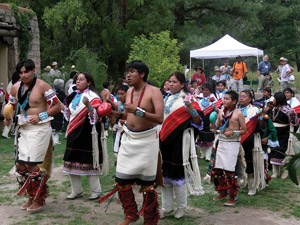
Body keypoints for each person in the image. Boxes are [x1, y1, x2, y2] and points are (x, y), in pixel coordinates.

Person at [99, 60, 164, 225]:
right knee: (121, 179)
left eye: (132, 71)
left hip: (147, 140)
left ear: (142, 74)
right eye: (127, 72)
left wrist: (138, 111)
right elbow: (129, 116)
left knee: (147, 186)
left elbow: (159, 118)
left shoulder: (154, 91)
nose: (128, 75)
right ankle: (131, 214)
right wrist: (116, 114)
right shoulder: (128, 92)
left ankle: (150, 220)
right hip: (129, 138)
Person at [3, 59, 62, 211]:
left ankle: (38, 198)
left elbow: (58, 106)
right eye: (21, 72)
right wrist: (8, 117)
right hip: (24, 128)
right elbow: (11, 106)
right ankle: (31, 197)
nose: (23, 75)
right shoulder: (16, 87)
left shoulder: (43, 86)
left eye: (26, 71)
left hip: (40, 128)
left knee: (31, 164)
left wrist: (41, 116)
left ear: (33, 71)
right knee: (20, 164)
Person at [159, 72, 204, 219]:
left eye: (174, 82)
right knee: (164, 175)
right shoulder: (166, 98)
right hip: (164, 141)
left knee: (177, 174)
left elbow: (199, 121)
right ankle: (167, 207)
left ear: (182, 84)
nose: (171, 84)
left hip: (180, 142)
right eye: (169, 82)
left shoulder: (189, 99)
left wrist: (191, 110)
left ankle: (181, 207)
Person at [63, 72, 106, 200]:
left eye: (81, 80)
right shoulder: (73, 96)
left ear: (88, 82)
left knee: (89, 161)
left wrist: (88, 106)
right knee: (70, 158)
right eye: (76, 79)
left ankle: (96, 190)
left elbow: (97, 117)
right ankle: (76, 190)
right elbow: (69, 114)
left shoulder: (93, 97)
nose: (78, 81)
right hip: (73, 131)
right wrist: (63, 108)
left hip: (87, 133)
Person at [211, 90, 247, 206]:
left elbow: (244, 130)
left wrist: (233, 132)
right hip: (221, 141)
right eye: (224, 98)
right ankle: (223, 191)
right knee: (219, 169)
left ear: (234, 101)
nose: (224, 101)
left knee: (229, 170)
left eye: (227, 99)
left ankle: (233, 195)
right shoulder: (221, 111)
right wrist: (216, 123)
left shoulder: (238, 113)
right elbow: (217, 126)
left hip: (233, 143)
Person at [268, 92, 298, 179]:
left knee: (281, 152)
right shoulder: (273, 109)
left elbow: (295, 123)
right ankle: (275, 172)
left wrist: (292, 134)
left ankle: (286, 170)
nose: (273, 100)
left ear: (278, 100)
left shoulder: (289, 110)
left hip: (284, 134)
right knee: (273, 151)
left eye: (274, 99)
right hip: (274, 133)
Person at [196, 83, 216, 161]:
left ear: (210, 91)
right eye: (204, 90)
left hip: (209, 120)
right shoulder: (198, 98)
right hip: (200, 119)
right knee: (201, 138)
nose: (205, 91)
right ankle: (202, 154)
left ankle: (208, 155)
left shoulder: (213, 99)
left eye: (207, 90)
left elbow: (216, 109)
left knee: (209, 138)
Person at [51, 79, 66, 145]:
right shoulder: (62, 93)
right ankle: (55, 140)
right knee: (57, 125)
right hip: (59, 110)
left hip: (52, 110)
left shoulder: (51, 92)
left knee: (53, 124)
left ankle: (53, 139)